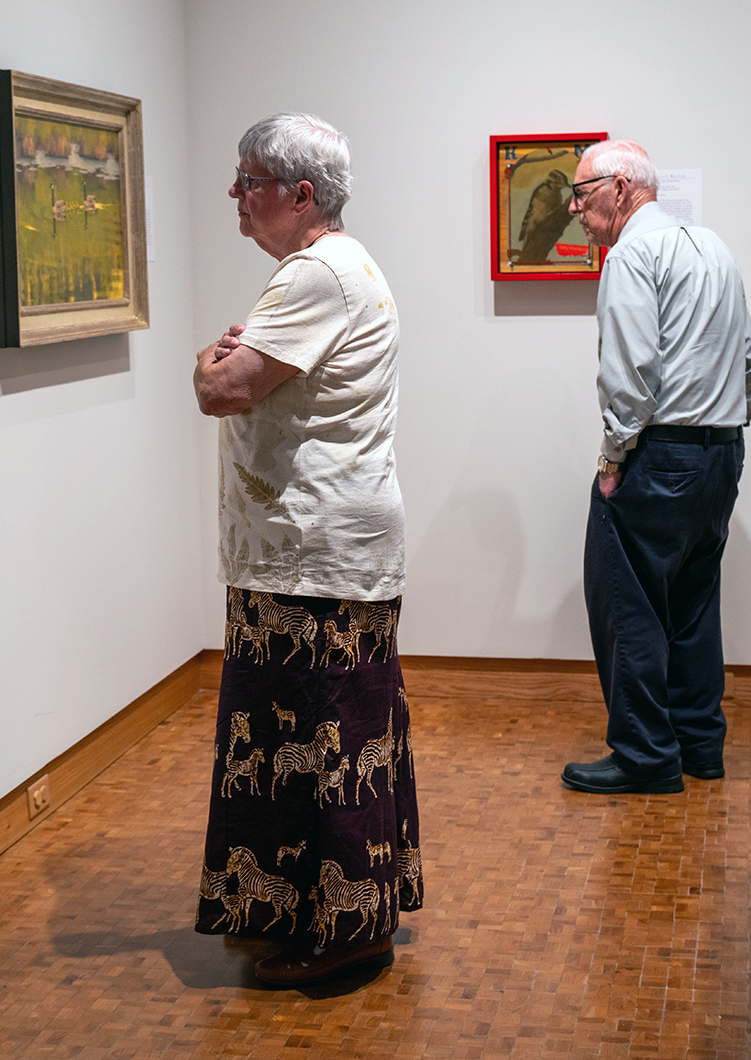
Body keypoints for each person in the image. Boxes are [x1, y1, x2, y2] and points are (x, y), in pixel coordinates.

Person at [191, 113, 422, 986]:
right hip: (313, 551)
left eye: (249, 180)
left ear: (299, 194)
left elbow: (228, 386)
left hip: (311, 559)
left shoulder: (315, 275)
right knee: (326, 730)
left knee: (322, 737)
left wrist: (204, 363)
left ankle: (343, 929)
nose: (234, 195)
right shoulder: (341, 266)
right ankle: (305, 906)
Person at [561, 140, 751, 796]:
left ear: (621, 188)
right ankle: (701, 745)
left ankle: (648, 756)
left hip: (659, 451)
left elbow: (632, 373)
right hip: (721, 450)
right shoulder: (715, 248)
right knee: (695, 601)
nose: (575, 209)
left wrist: (613, 457)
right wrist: (726, 426)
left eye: (583, 194)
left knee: (631, 603)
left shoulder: (632, 256)